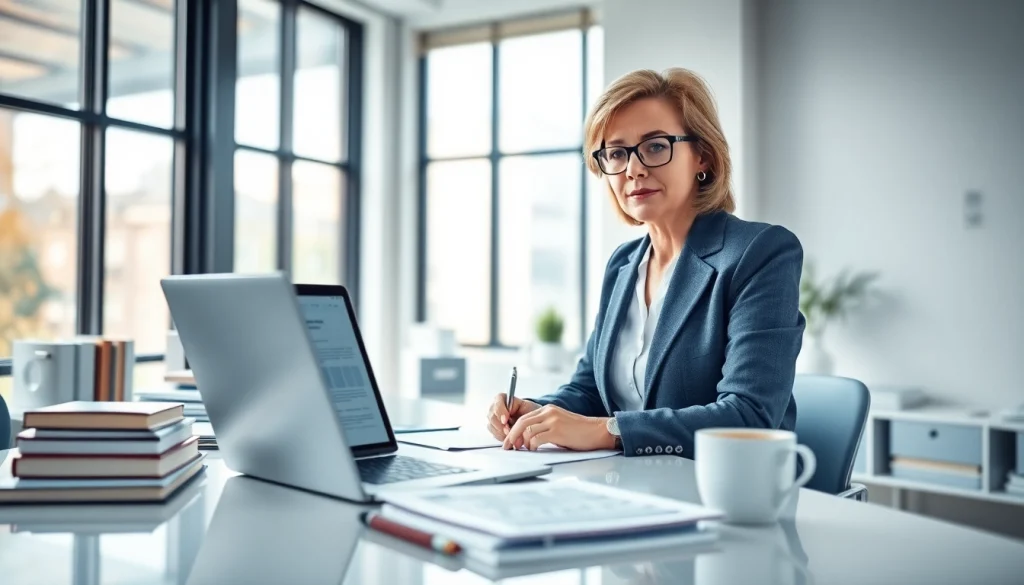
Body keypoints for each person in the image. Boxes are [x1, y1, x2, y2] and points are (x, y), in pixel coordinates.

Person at [485, 67, 806, 457]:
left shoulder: (759, 252)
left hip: (724, 492)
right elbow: (590, 390)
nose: (634, 168)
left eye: (655, 146)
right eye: (617, 153)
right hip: (626, 484)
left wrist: (609, 430)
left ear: (701, 156)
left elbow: (749, 415)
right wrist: (536, 413)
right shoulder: (623, 265)